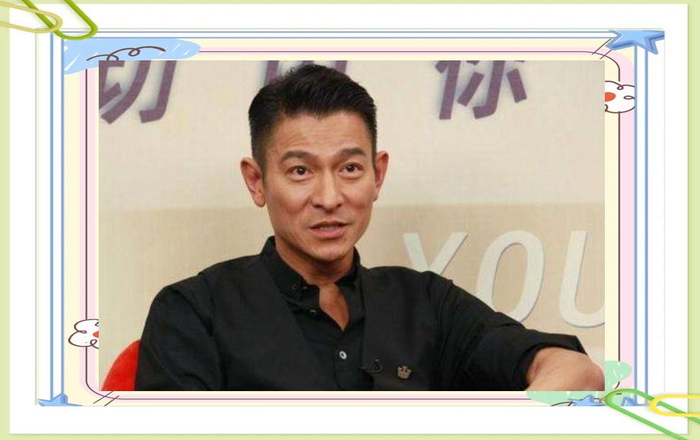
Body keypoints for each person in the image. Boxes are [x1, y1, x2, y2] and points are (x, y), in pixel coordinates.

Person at [135, 64, 604, 391]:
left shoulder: (427, 303)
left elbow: (575, 372)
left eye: (350, 169)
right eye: (300, 171)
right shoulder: (193, 312)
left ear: (378, 175)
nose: (329, 197)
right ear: (256, 182)